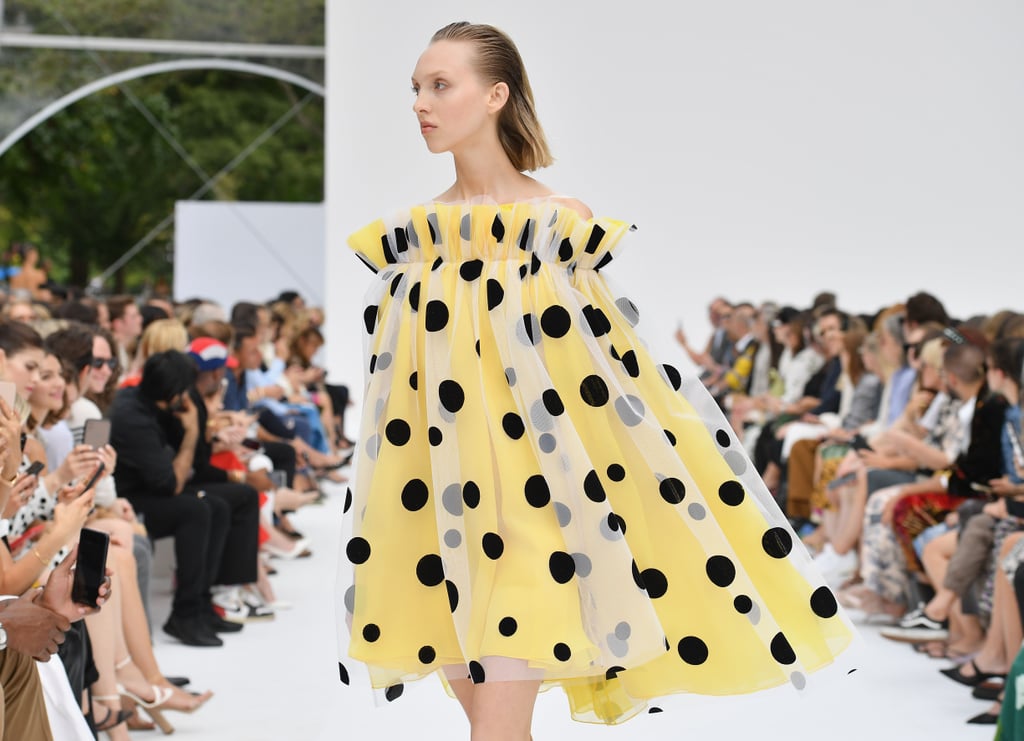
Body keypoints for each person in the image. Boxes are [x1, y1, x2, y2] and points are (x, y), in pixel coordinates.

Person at [335, 21, 855, 739]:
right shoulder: (413, 243)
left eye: (439, 85)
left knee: (495, 730)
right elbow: (398, 396)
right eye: (416, 88)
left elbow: (605, 377)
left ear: (496, 95)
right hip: (435, 511)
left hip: (533, 514)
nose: (420, 103)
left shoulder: (556, 227)